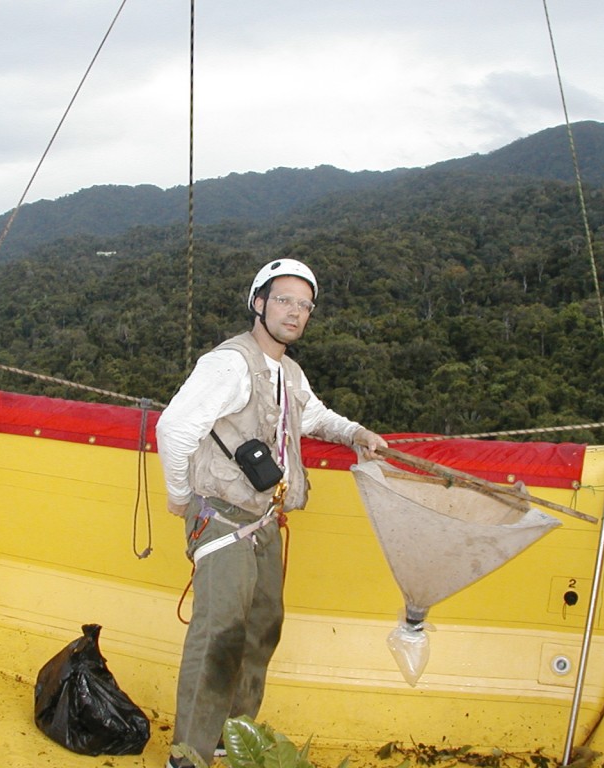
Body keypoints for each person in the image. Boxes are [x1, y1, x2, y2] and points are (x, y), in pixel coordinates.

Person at [155, 258, 387, 766]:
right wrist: (178, 497)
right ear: (258, 303)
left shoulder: (286, 370)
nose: (295, 312)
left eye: (304, 305)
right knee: (220, 632)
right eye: (284, 299)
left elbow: (312, 414)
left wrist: (354, 434)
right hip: (222, 517)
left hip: (262, 520)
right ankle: (188, 755)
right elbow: (174, 430)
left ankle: (231, 738)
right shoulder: (230, 364)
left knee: (262, 625)